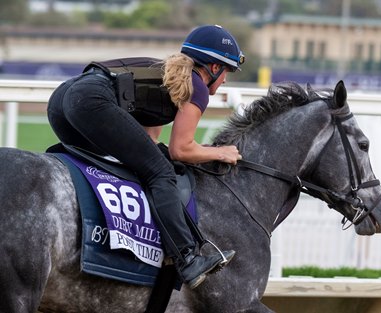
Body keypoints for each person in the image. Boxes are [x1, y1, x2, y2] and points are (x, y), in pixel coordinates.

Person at [47, 24, 245, 289]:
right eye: (227, 72)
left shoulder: (170, 75)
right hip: (89, 100)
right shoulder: (196, 86)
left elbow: (149, 139)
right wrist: (220, 151)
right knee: (161, 172)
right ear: (213, 68)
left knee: (140, 165)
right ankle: (187, 259)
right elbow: (181, 149)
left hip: (62, 99)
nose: (225, 81)